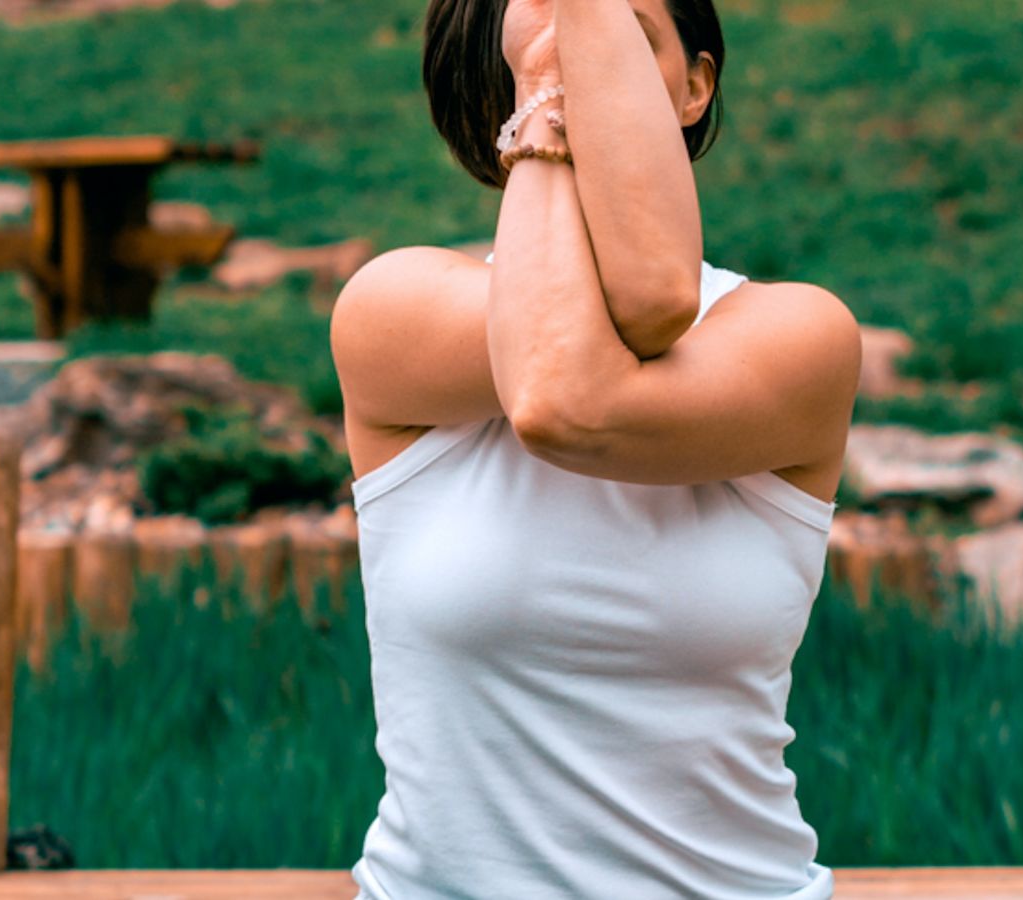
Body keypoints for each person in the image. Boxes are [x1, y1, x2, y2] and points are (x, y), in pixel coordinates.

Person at [329, 0, 861, 895]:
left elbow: (582, 392)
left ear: (694, 86)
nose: (575, 68)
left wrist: (547, 88)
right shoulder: (394, 310)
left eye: (615, 34)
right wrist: (550, 92)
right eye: (544, 47)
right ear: (491, 88)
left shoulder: (800, 339)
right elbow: (553, 375)